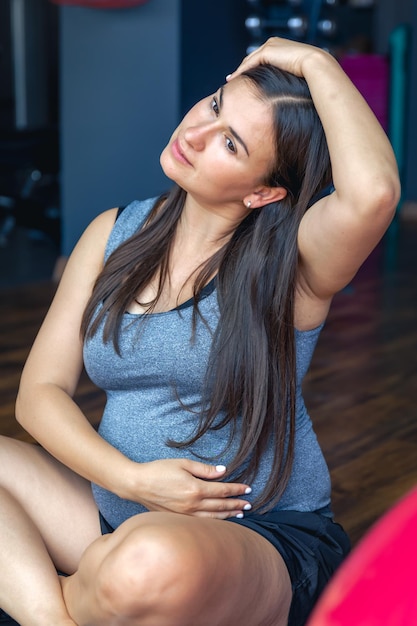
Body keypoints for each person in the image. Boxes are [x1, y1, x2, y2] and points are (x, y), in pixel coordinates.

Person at [0, 36, 400, 626]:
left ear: (263, 191)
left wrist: (317, 63)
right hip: (115, 509)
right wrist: (133, 481)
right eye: (214, 106)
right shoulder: (112, 234)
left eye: (231, 143)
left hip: (251, 536)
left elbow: (374, 194)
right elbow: (39, 396)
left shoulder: (292, 266)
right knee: (126, 561)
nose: (194, 135)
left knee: (144, 564)